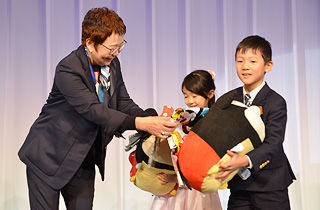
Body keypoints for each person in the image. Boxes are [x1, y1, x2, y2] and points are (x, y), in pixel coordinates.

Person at [18, 7, 177, 210]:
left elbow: (123, 102)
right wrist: (142, 123)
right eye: (112, 48)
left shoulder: (112, 64)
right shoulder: (68, 68)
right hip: (49, 156)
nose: (116, 53)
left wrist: (150, 119)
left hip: (83, 158)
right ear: (90, 43)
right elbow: (94, 110)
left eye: (120, 46)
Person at [215, 35, 296, 209]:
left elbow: (273, 143)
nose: (245, 66)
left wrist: (244, 160)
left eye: (252, 61)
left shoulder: (275, 101)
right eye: (239, 61)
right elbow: (216, 130)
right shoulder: (229, 98)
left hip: (270, 186)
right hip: (239, 187)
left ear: (268, 66)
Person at [151, 70, 222, 210]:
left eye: (194, 96)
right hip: (178, 188)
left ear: (210, 94)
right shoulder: (182, 119)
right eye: (186, 96)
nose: (190, 101)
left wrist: (178, 178)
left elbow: (207, 161)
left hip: (198, 187)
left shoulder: (215, 122)